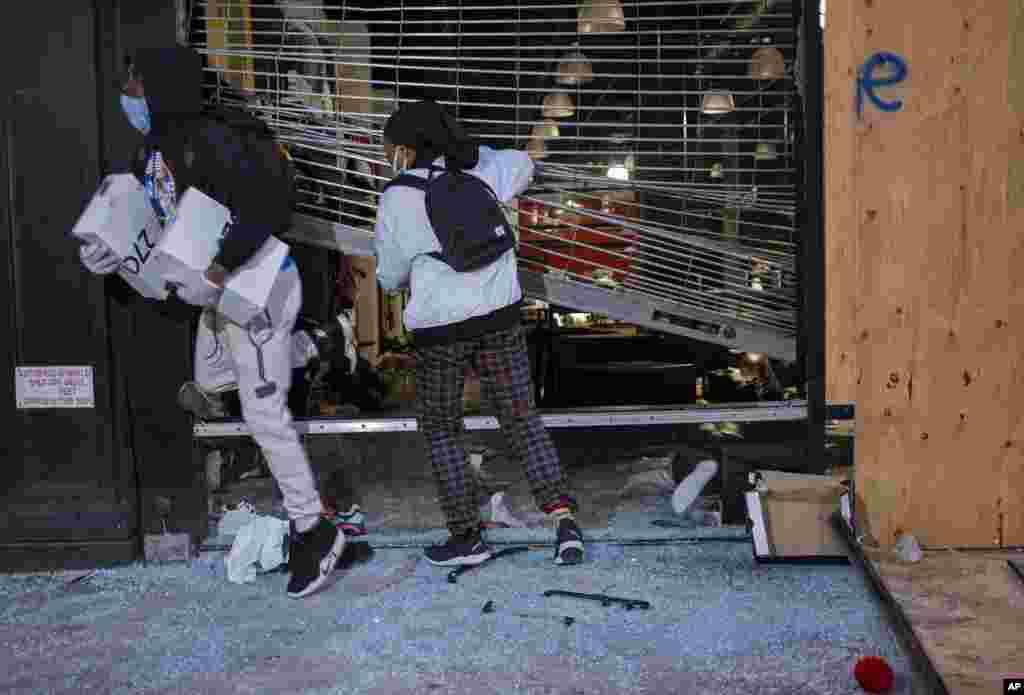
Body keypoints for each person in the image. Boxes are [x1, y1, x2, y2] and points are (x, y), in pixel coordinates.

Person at [77, 46, 344, 599]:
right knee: (213, 381)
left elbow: (268, 199)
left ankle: (314, 530)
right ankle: (317, 345)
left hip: (258, 285)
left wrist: (222, 264)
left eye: (135, 86)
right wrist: (110, 258)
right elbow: (150, 241)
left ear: (161, 86)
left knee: (264, 412)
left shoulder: (219, 136)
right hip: (219, 300)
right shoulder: (147, 157)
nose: (128, 97)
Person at [373, 100, 584, 567]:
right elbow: (527, 163)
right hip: (500, 319)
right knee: (521, 418)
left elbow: (388, 278)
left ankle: (467, 537)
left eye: (392, 149)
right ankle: (564, 520)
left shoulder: (397, 196)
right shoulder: (487, 169)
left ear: (407, 150)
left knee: (443, 430)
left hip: (439, 331)